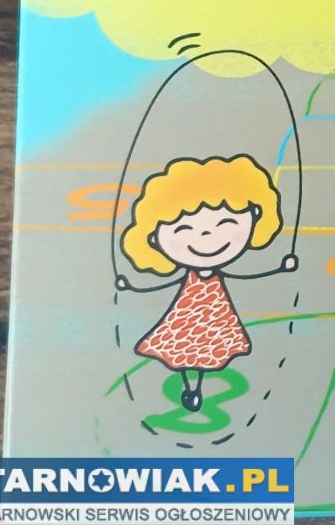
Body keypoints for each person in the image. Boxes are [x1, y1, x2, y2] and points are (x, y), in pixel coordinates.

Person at [117, 155, 297, 411]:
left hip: (215, 314)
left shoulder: (217, 272)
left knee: (209, 348)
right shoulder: (187, 274)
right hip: (186, 314)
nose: (206, 236)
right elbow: (164, 285)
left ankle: (197, 386)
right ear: (154, 240)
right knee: (179, 345)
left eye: (226, 223)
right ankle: (189, 386)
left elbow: (243, 276)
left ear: (256, 216)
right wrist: (132, 286)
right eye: (183, 230)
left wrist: (280, 268)